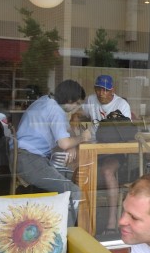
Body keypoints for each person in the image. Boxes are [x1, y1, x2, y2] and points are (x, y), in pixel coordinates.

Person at [10, 79, 91, 226]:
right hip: (30, 161)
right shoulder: (57, 111)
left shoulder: (45, 101)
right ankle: (67, 235)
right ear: (69, 99)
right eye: (77, 103)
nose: (76, 108)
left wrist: (71, 142)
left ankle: (51, 226)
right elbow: (64, 142)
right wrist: (82, 137)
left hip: (21, 157)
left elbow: (65, 132)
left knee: (63, 178)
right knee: (73, 191)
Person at [82, 74, 131, 234]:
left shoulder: (121, 104)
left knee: (107, 171)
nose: (101, 93)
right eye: (98, 89)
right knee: (79, 169)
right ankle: (83, 221)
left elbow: (126, 134)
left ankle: (111, 223)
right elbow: (77, 115)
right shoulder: (90, 100)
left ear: (112, 91)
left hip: (114, 150)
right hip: (94, 148)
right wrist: (80, 128)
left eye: (105, 90)